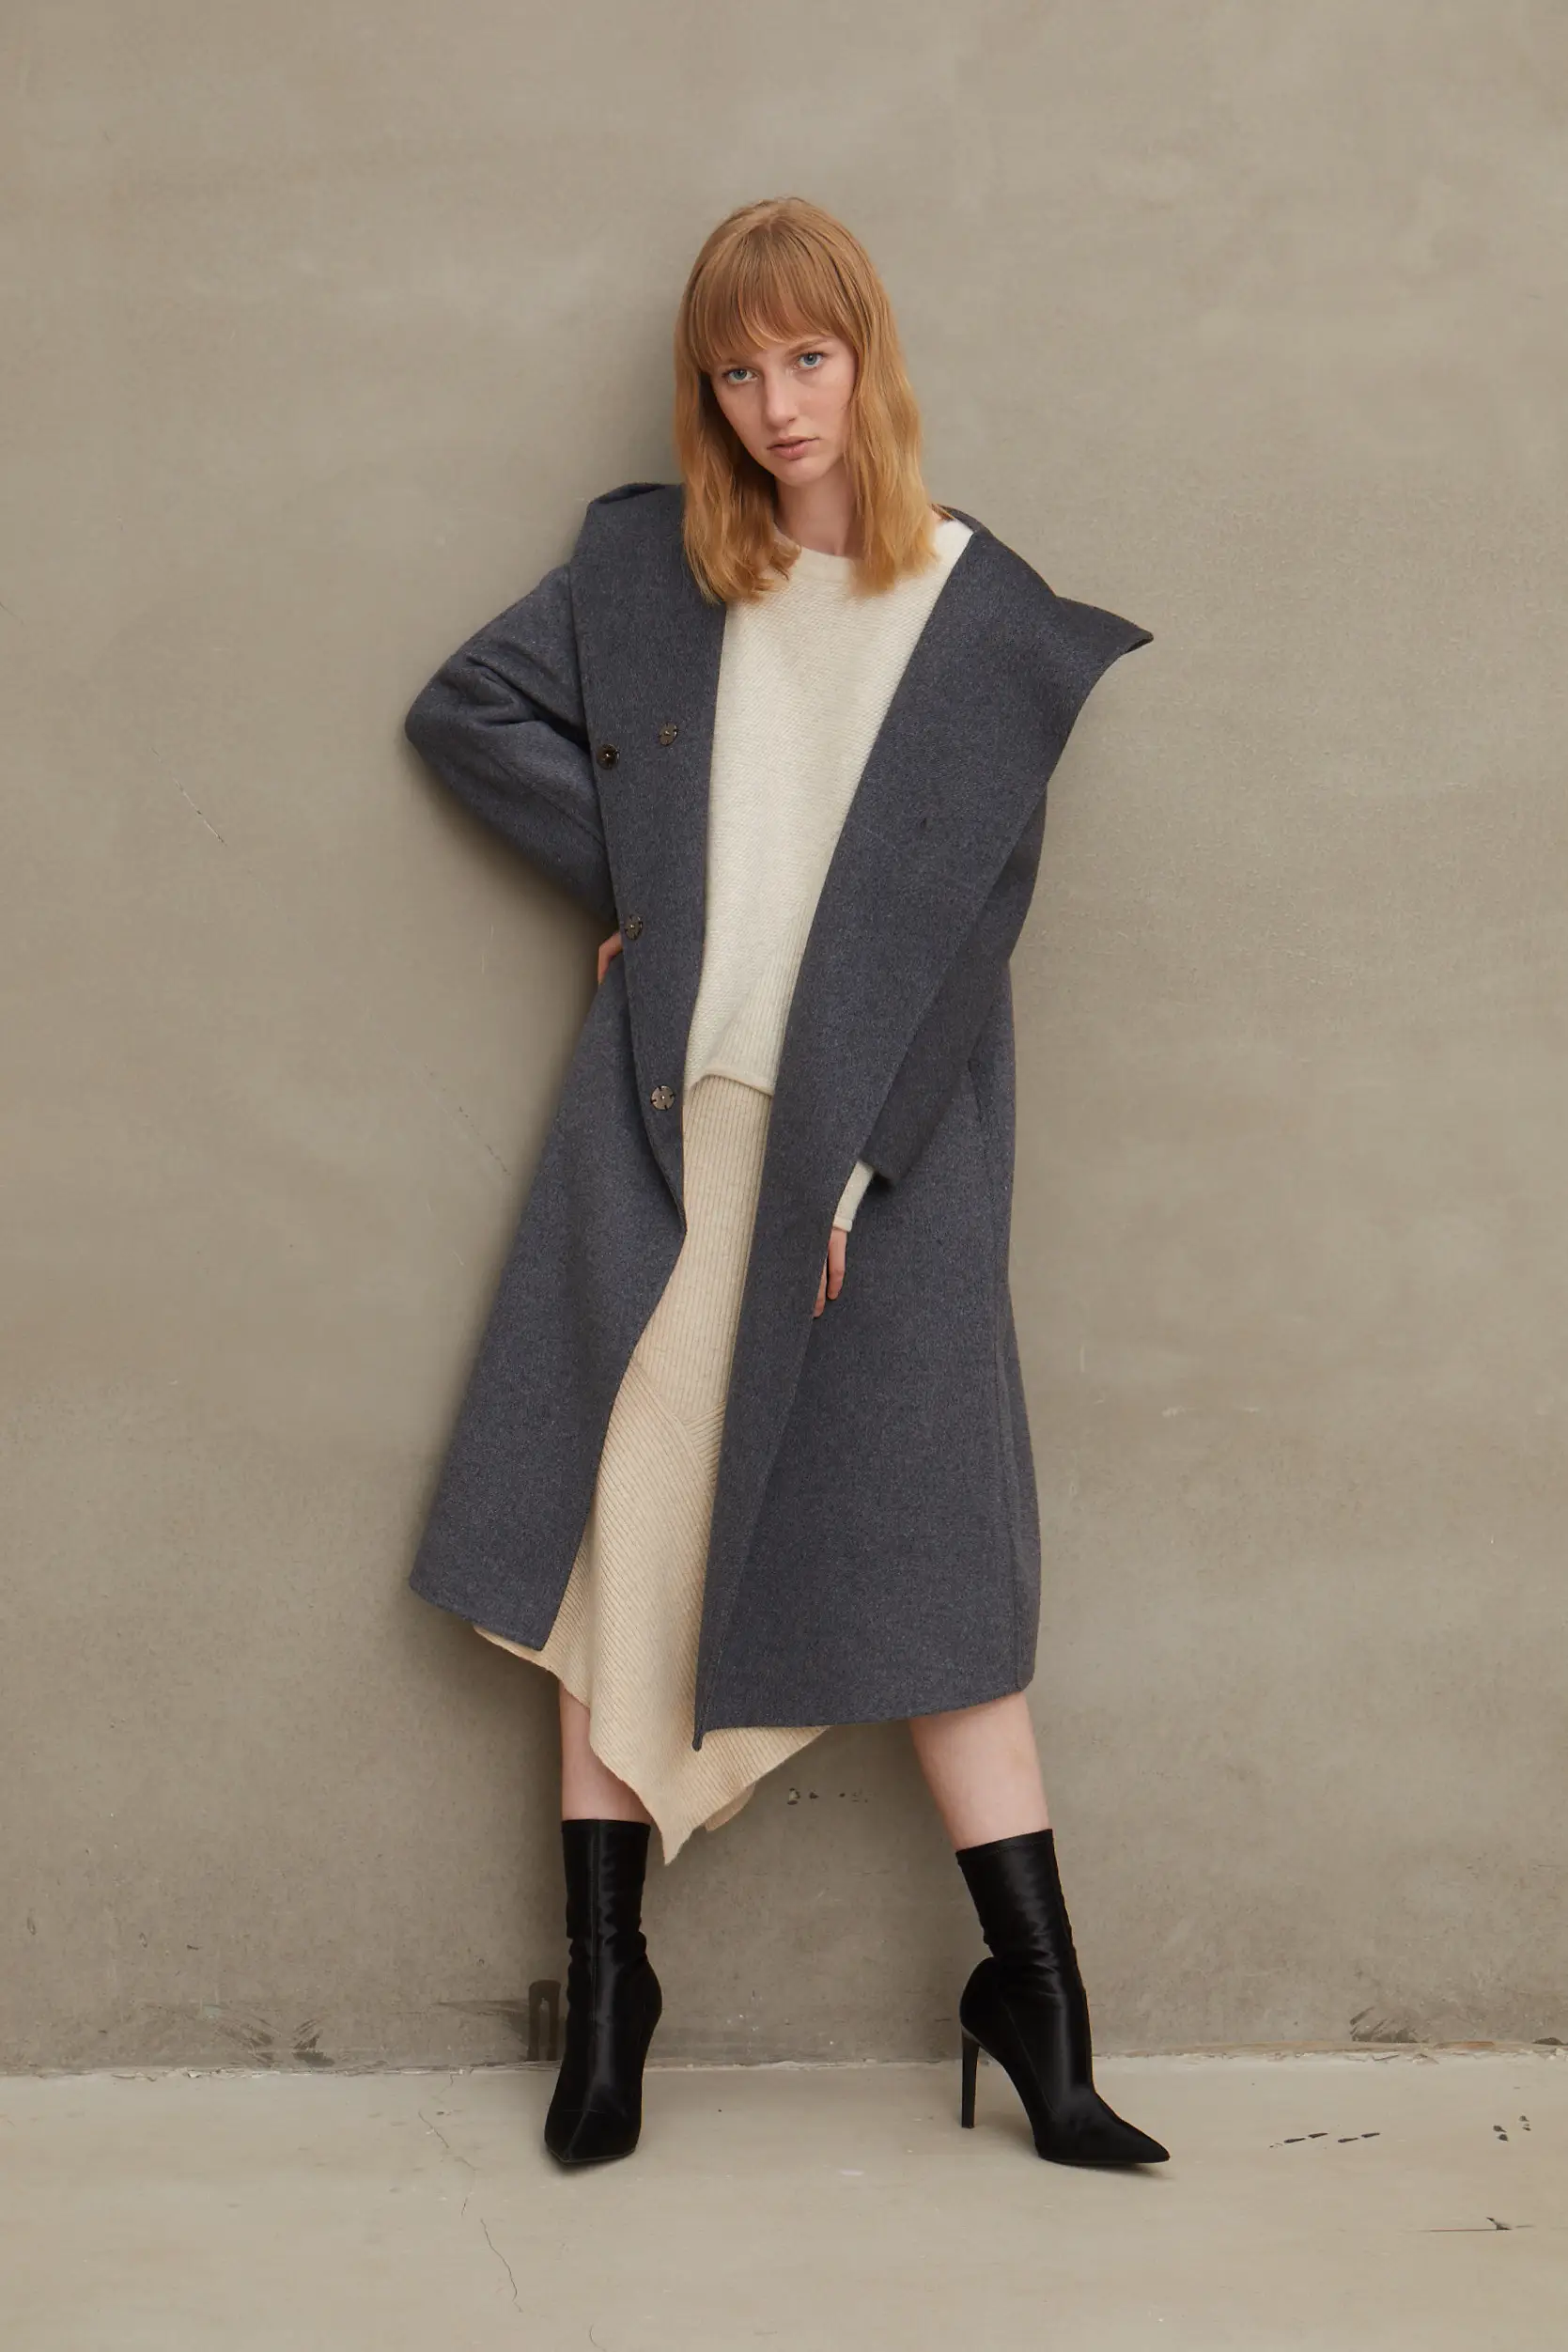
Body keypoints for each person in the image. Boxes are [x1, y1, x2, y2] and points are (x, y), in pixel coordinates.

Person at [401, 195, 1168, 2173]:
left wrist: (862, 1166)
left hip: (877, 1165)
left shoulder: (980, 615)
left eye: (806, 359)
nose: (774, 406)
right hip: (668, 1138)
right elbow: (462, 711)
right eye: (736, 373)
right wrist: (648, 891)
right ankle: (610, 2001)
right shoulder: (656, 568)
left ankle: (1041, 2011)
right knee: (617, 1546)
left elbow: (971, 939)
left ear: (867, 357)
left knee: (941, 1576)